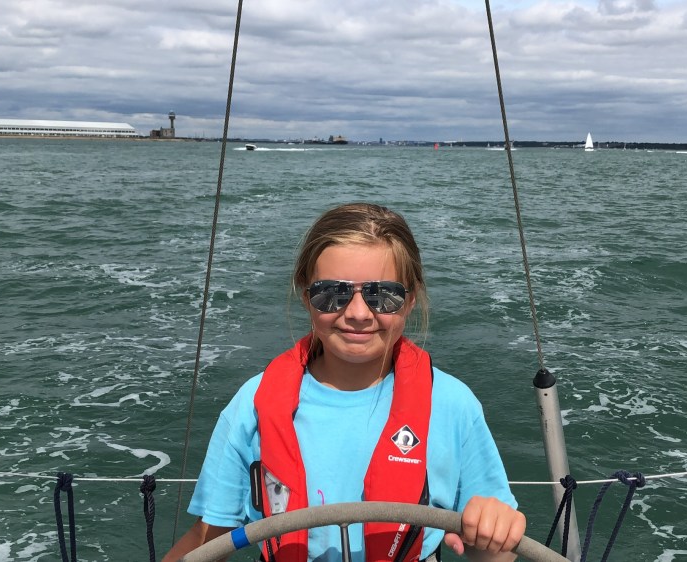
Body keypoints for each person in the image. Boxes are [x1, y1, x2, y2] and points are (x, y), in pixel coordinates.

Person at [164, 203, 525, 562]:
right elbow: (209, 538)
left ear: (410, 301)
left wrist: (494, 531)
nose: (357, 314)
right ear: (306, 297)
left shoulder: (453, 405)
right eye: (331, 293)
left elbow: (495, 556)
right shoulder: (252, 405)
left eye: (383, 295)